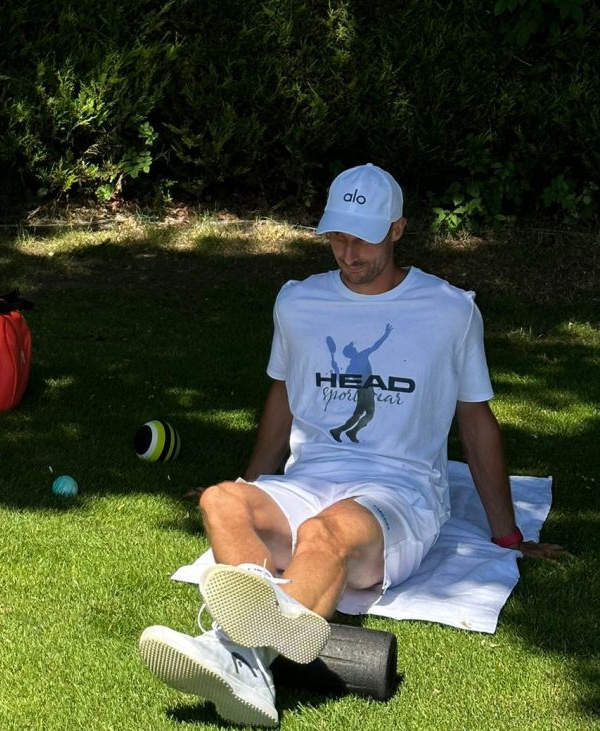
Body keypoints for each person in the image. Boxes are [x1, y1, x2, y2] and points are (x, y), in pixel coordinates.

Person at [137, 163, 567, 727]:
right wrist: (254, 482)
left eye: (362, 236)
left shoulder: (449, 309)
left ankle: (238, 651)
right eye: (337, 236)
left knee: (326, 531)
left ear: (397, 228)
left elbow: (475, 420)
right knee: (221, 501)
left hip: (401, 492)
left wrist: (508, 535)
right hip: (308, 479)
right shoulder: (297, 302)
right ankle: (252, 657)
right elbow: (283, 397)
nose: (347, 251)